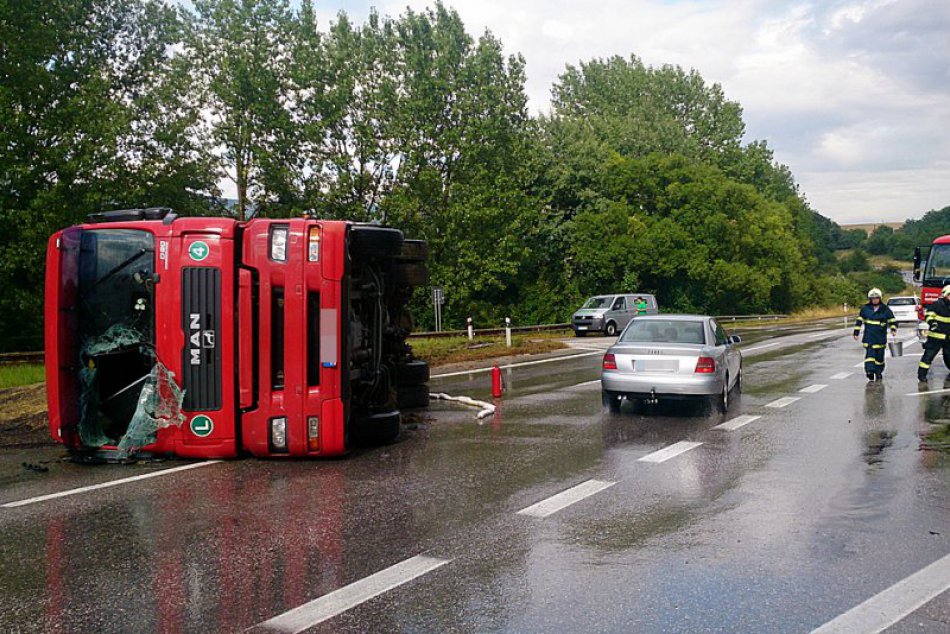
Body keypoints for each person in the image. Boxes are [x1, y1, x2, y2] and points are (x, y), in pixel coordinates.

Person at [852, 288, 896, 381]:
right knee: (870, 356)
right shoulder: (865, 309)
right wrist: (856, 332)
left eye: (876, 298)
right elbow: (859, 321)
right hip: (869, 337)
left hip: (880, 338)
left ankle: (878, 372)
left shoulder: (885, 309)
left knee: (879, 358)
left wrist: (893, 329)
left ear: (880, 298)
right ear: (870, 299)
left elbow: (892, 319)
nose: (875, 300)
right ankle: (870, 372)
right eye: (873, 298)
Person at [918, 285, 950, 381]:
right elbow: (929, 315)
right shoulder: (937, 304)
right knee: (928, 357)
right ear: (945, 295)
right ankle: (922, 375)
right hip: (935, 337)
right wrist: (933, 323)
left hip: (948, 338)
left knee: (949, 357)